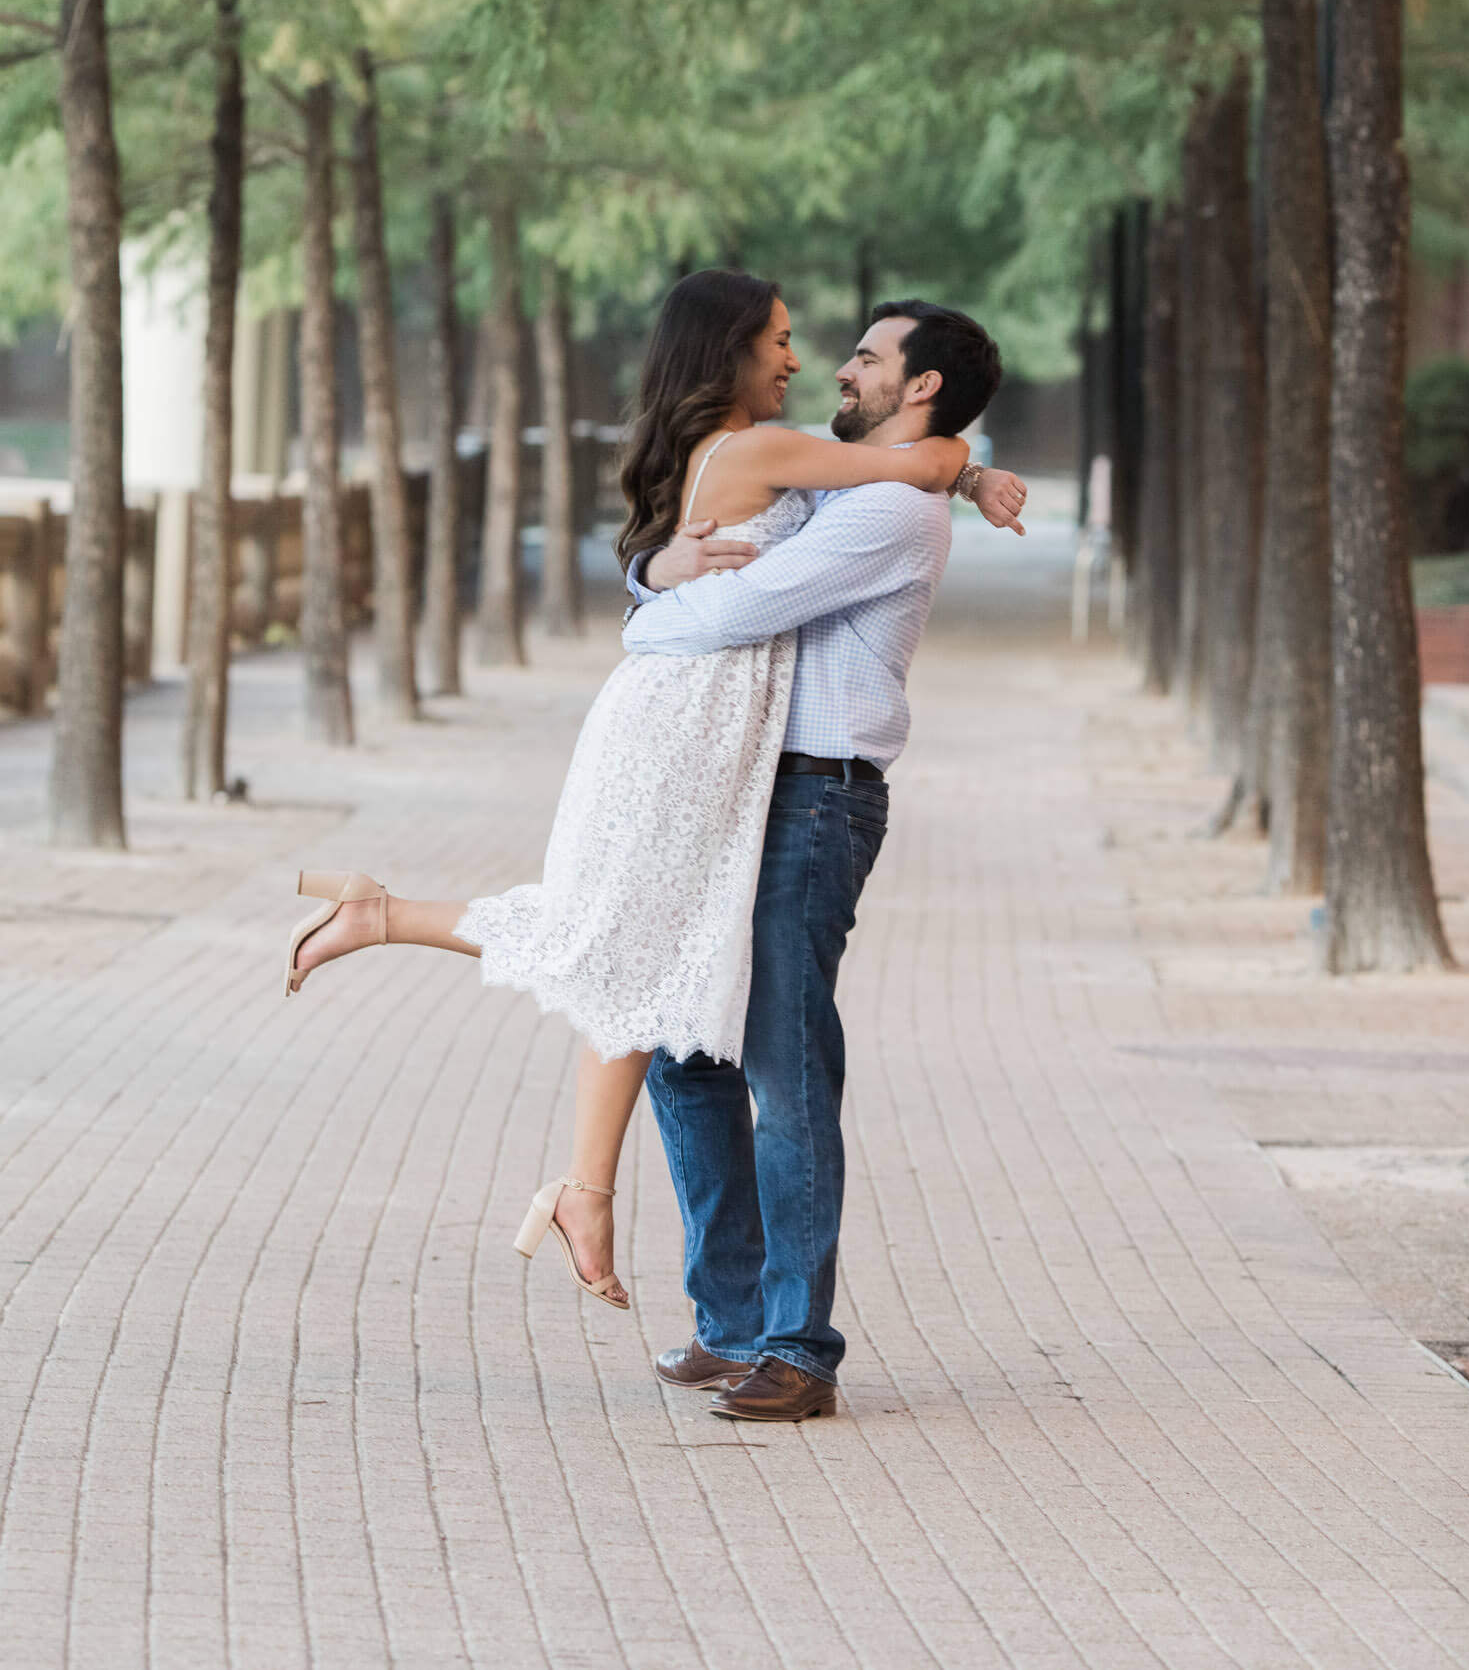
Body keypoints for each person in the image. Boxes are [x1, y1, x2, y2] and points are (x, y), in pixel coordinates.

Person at [281, 272, 1022, 1313]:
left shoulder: (855, 490)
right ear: (732, 349)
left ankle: (619, 1211)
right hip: (690, 730)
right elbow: (903, 468)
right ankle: (603, 1196)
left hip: (755, 759)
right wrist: (963, 467)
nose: (815, 363)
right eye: (787, 339)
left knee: (644, 968)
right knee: (623, 953)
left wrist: (965, 472)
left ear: (920, 381)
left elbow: (904, 470)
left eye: (857, 355)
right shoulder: (803, 458)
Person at [621, 298, 1018, 1420]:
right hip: (742, 793)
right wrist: (663, 570)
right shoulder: (845, 482)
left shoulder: (887, 514)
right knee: (684, 1055)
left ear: (921, 386)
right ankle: (734, 1324)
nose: (836, 368)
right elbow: (708, 557)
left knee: (785, 1071)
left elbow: (733, 607)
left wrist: (649, 606)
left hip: (813, 802)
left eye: (866, 357)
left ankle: (799, 1346)